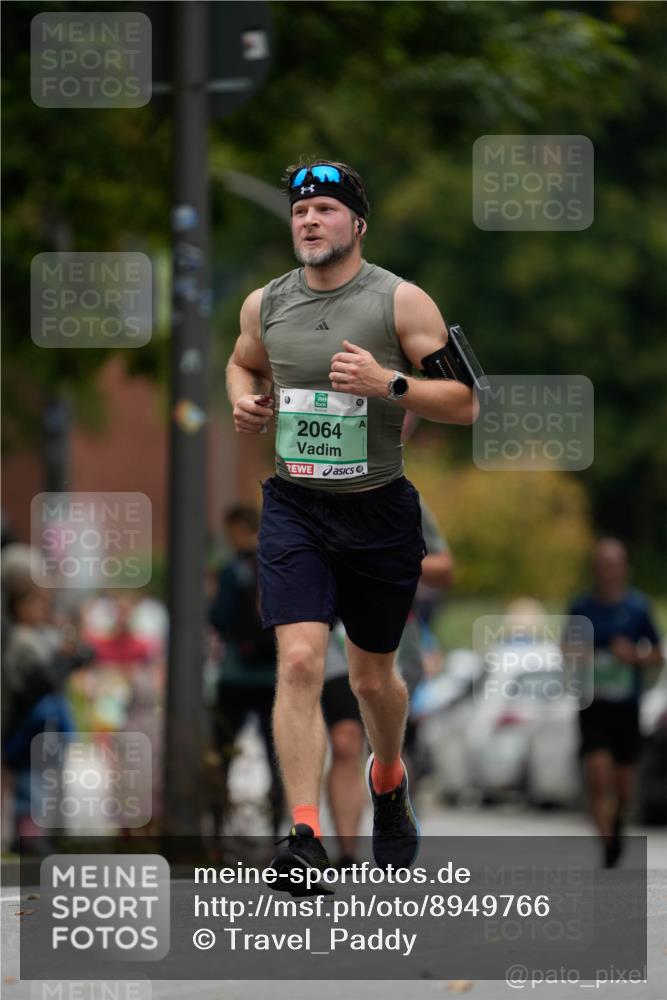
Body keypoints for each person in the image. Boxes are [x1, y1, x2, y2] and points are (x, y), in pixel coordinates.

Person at [226, 160, 475, 891]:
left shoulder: (400, 302)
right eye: (300, 211)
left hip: (379, 510)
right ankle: (303, 834)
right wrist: (245, 400)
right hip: (296, 507)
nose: (308, 221)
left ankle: (388, 781)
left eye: (326, 210)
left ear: (356, 225)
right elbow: (242, 366)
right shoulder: (264, 304)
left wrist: (388, 384)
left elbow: (465, 402)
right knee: (300, 661)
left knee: (371, 683)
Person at [322, 503, 453, 869]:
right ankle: (347, 853)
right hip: (333, 632)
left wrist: (388, 560)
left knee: (387, 737)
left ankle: (392, 796)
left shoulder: (399, 495)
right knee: (345, 740)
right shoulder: (310, 488)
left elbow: (445, 570)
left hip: (392, 634)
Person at [566, 538, 662, 867]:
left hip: (626, 706)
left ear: (624, 569)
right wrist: (581, 653)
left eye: (614, 564)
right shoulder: (581, 607)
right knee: (598, 778)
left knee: (622, 787)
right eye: (601, 564)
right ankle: (608, 846)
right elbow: (565, 648)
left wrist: (633, 655)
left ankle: (617, 824)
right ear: (595, 569)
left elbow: (658, 653)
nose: (607, 571)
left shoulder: (637, 608)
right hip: (592, 705)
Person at [209, 505, 284, 836]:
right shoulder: (280, 563)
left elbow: (219, 617)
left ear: (238, 528)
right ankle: (279, 829)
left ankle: (215, 828)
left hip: (236, 673)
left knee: (224, 750)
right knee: (278, 756)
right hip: (275, 675)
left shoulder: (232, 570)